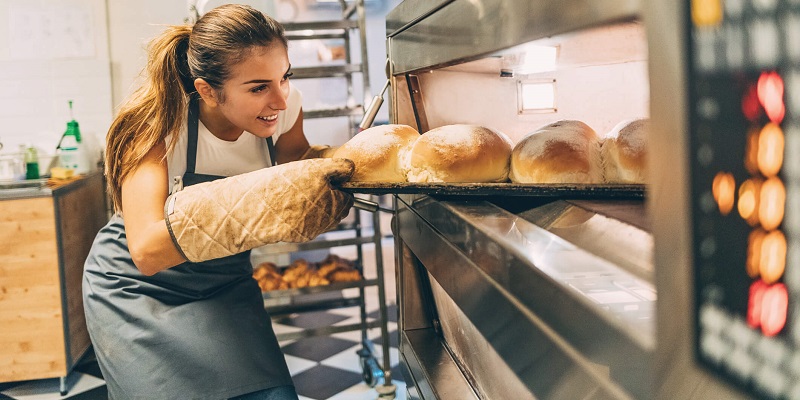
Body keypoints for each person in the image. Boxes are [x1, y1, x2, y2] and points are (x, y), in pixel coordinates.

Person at [82, 4, 354, 399]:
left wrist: (350, 165)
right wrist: (257, 203)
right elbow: (146, 250)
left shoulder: (286, 107)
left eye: (285, 77)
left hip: (225, 280)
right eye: (259, 87)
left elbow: (295, 166)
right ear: (207, 91)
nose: (279, 99)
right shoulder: (156, 125)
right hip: (137, 289)